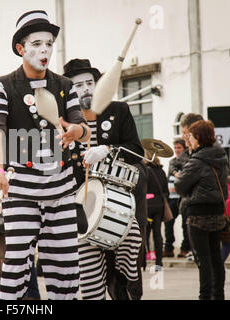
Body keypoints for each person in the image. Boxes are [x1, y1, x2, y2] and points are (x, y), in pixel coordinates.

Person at [0, 11, 91, 300]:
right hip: (21, 189)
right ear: (21, 47)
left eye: (49, 44)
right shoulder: (3, 85)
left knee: (66, 267)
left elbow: (84, 128)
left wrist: (75, 132)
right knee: (16, 264)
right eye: (36, 44)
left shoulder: (65, 86)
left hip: (62, 189)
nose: (45, 50)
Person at [62, 58, 144, 300]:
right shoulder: (62, 121)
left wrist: (108, 149)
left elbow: (136, 151)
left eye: (89, 82)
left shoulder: (118, 110)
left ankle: (121, 278)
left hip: (117, 198)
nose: (86, 88)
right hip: (81, 202)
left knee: (133, 238)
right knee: (89, 277)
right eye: (78, 85)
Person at [175, 120, 228, 300]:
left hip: (198, 216)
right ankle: (218, 295)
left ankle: (204, 296)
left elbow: (180, 186)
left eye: (190, 135)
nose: (188, 139)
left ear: (198, 137)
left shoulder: (197, 160)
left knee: (203, 260)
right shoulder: (221, 156)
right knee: (215, 258)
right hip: (218, 213)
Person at [175, 113, 204, 259]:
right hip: (193, 207)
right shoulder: (193, 153)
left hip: (200, 211)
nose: (184, 137)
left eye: (186, 134)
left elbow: (181, 184)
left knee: (206, 259)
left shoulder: (201, 155)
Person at [163, 138, 190, 257]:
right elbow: (172, 168)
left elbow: (184, 167)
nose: (176, 150)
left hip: (183, 198)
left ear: (184, 149)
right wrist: (175, 173)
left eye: (179, 147)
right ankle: (169, 248)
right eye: (175, 148)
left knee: (185, 225)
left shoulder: (189, 161)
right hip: (171, 198)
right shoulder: (172, 161)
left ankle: (185, 249)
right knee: (168, 224)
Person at [144, 148, 169, 271]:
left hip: (147, 206)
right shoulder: (162, 171)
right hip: (159, 205)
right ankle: (159, 262)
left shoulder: (145, 171)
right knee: (158, 234)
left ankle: (143, 260)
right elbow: (166, 191)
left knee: (145, 233)